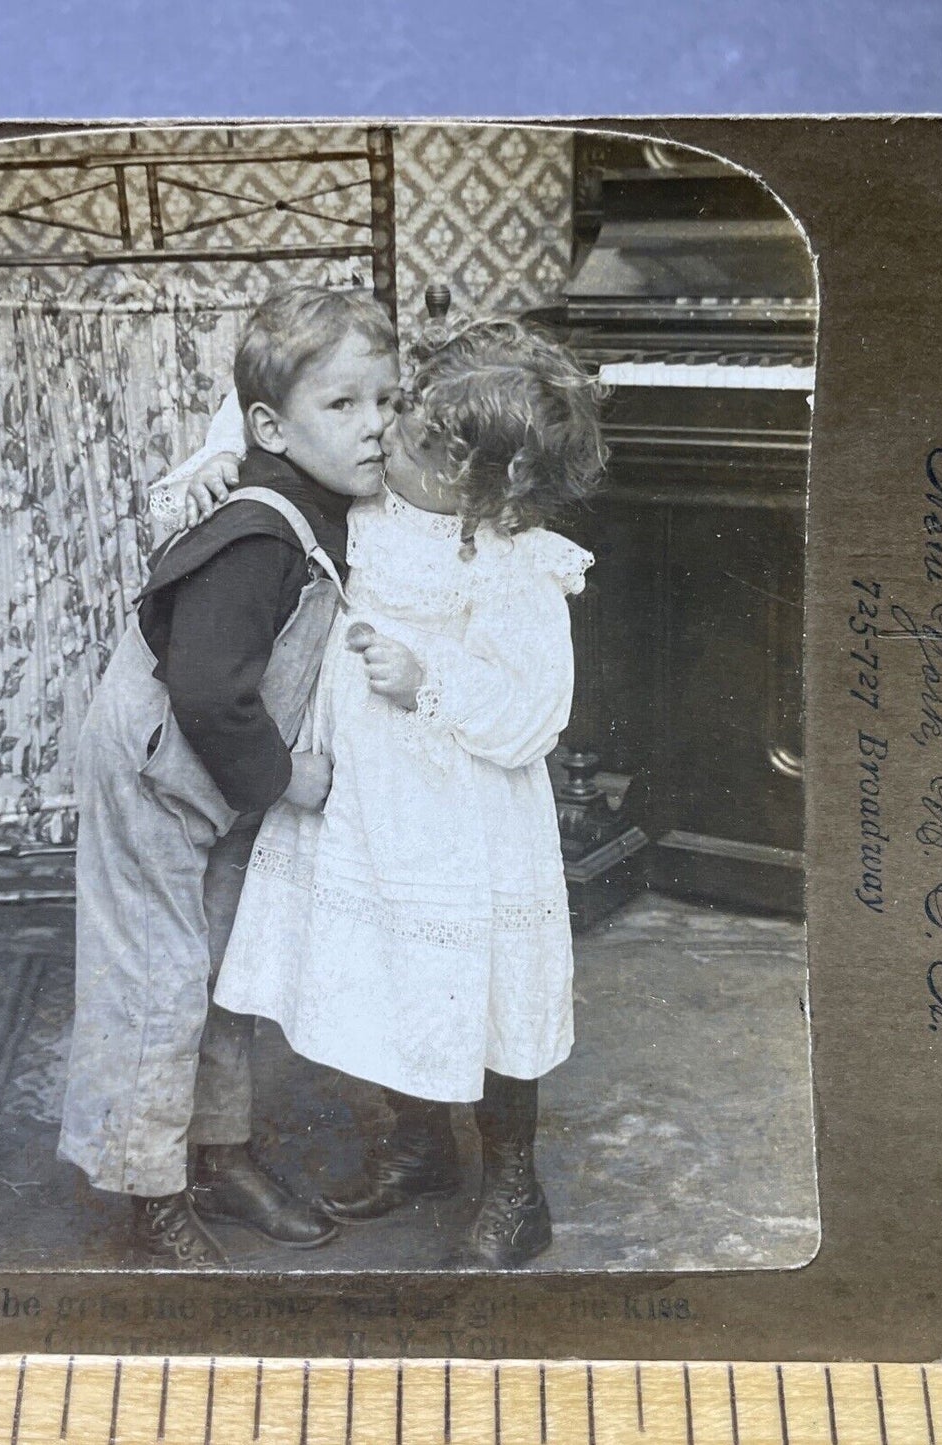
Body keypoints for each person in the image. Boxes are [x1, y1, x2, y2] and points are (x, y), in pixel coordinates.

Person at [157, 318, 605, 1266]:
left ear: (495, 485)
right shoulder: (369, 502)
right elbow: (269, 421)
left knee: (481, 994)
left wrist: (428, 677)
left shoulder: (516, 563)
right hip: (370, 806)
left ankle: (514, 1183)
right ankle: (418, 1146)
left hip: (463, 820)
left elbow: (533, 717)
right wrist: (208, 457)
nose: (383, 437)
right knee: (396, 979)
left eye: (414, 437)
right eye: (393, 412)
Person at [57, 285, 402, 1267]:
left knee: (221, 968)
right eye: (342, 405)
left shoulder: (314, 500)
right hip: (156, 771)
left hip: (206, 778)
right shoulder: (256, 529)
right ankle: (148, 1193)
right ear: (267, 426)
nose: (374, 425)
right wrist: (288, 777)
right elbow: (208, 689)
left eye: (385, 400)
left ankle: (216, 1154)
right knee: (157, 982)